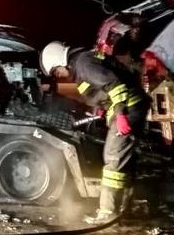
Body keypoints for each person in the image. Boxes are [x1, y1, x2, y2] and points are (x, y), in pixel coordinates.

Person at [41, 41, 149, 220]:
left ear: (61, 60)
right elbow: (100, 92)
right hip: (130, 107)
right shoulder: (81, 66)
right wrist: (104, 108)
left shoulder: (83, 64)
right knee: (123, 160)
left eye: (55, 70)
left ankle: (108, 212)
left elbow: (115, 85)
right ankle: (124, 209)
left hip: (128, 109)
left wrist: (120, 114)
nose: (57, 75)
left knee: (113, 158)